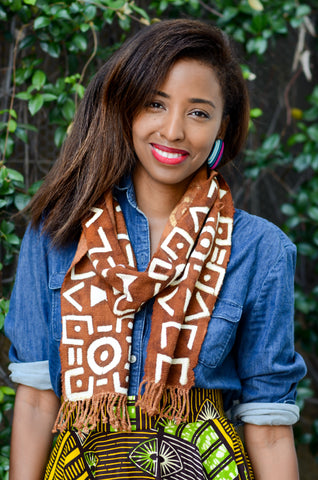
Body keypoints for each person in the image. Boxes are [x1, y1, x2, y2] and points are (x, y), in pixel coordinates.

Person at [5, 19, 306, 480]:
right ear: (126, 107)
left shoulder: (260, 250)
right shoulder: (57, 233)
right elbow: (36, 398)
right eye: (155, 104)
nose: (173, 130)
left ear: (222, 126)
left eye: (198, 113)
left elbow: (267, 425)